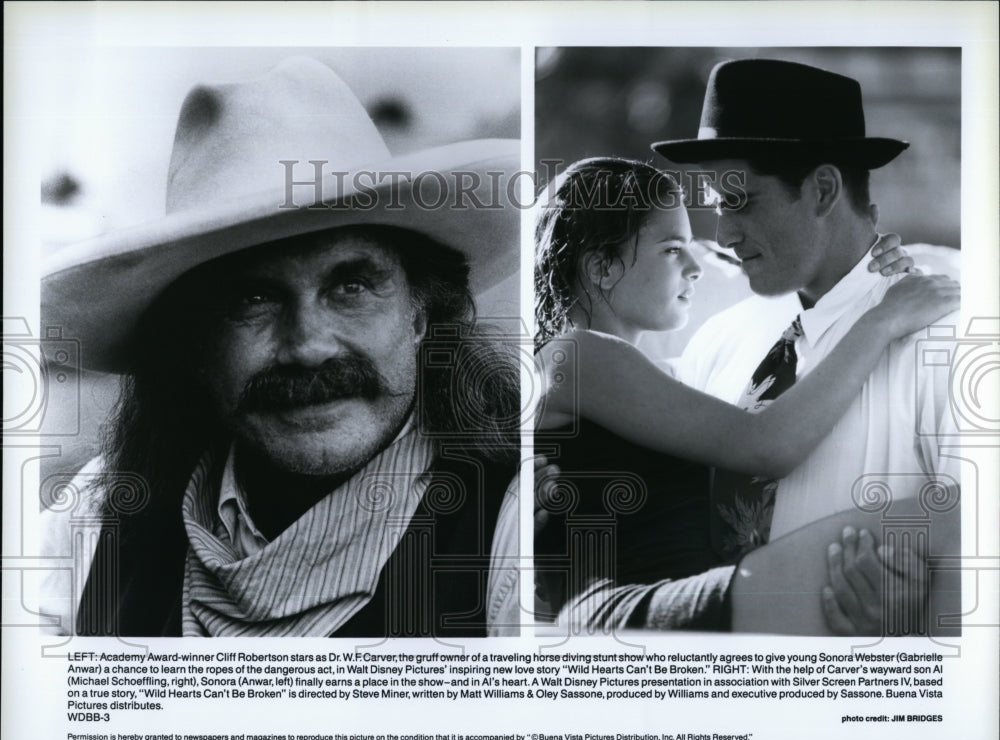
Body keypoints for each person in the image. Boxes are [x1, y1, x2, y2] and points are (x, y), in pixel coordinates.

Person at [38, 57, 522, 637]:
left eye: (351, 287)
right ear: (194, 343)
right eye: (252, 301)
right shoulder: (99, 516)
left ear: (421, 313)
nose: (309, 347)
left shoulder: (517, 527)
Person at [533, 157, 958, 634]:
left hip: (681, 600)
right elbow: (766, 445)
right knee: (956, 525)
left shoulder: (656, 375)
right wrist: (882, 320)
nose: (697, 266)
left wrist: (873, 273)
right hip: (630, 608)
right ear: (602, 267)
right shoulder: (575, 356)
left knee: (954, 527)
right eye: (673, 249)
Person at [655, 58, 961, 634]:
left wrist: (915, 627)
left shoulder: (947, 343)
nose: (722, 234)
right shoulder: (717, 341)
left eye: (739, 201)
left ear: (822, 190)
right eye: (718, 205)